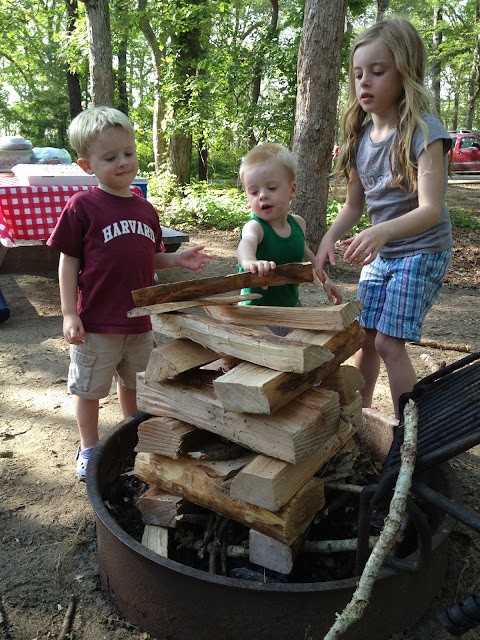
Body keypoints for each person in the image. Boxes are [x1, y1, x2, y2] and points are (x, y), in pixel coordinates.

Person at [47, 106, 212, 480]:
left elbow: (148, 257)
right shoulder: (82, 206)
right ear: (87, 165)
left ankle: (131, 440)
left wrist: (178, 259)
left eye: (128, 153)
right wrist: (69, 313)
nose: (123, 162)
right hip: (97, 323)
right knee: (89, 389)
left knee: (135, 385)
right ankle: (89, 447)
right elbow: (67, 262)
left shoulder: (144, 208)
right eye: (110, 157)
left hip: (139, 321)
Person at [316, 19, 452, 419]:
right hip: (385, 252)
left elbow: (431, 209)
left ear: (405, 73)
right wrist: (328, 239)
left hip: (422, 251)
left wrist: (380, 233)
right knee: (365, 335)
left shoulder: (424, 131)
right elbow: (353, 206)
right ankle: (360, 419)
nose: (365, 82)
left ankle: (409, 432)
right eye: (358, 73)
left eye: (377, 71)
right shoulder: (359, 137)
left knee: (389, 343)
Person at [237, 142, 342, 335]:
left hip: (291, 309)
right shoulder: (255, 227)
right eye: (254, 192)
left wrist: (325, 280)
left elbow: (305, 252)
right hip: (256, 315)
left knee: (296, 348)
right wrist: (250, 262)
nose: (262, 196)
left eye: (271, 188)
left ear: (292, 190)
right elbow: (246, 244)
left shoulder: (298, 224)